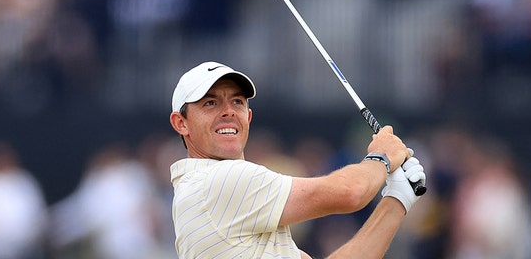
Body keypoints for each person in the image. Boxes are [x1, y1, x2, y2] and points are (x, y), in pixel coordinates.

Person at [168, 61, 426, 259]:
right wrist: (381, 156)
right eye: (210, 103)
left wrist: (397, 199)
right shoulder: (218, 181)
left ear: (248, 117)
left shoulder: (229, 198)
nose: (228, 111)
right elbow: (351, 193)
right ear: (181, 123)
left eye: (237, 101)